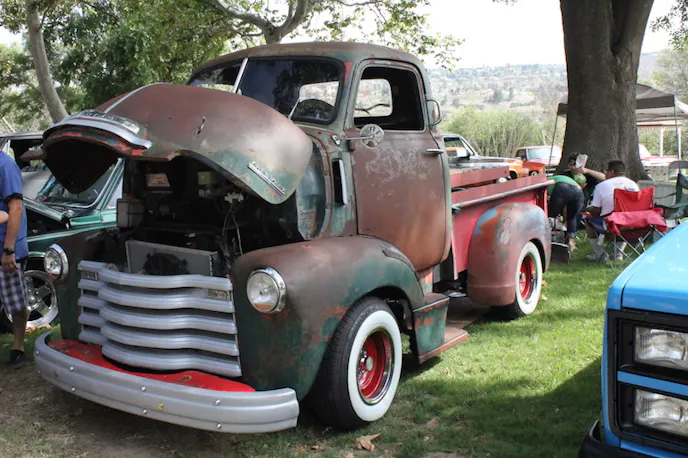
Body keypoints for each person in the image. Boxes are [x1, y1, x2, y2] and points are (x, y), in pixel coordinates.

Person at [0, 151, 29, 367]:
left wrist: (9, 249)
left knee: (17, 303)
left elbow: (16, 208)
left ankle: (18, 347)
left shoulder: (5, 166)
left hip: (7, 250)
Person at [578, 160, 639, 261]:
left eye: (606, 171)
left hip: (611, 224)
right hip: (633, 224)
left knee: (587, 219)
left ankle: (600, 254)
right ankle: (618, 254)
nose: (605, 173)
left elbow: (596, 211)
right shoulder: (633, 185)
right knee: (622, 218)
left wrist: (588, 209)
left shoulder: (602, 186)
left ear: (612, 171)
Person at [548, 174, 586, 252]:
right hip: (578, 191)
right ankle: (571, 242)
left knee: (551, 216)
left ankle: (550, 240)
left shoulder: (544, 180)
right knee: (572, 217)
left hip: (562, 188)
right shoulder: (565, 179)